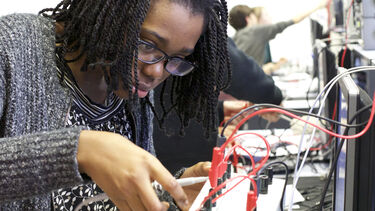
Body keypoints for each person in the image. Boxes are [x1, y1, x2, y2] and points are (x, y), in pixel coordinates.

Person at [0, 0, 231, 210]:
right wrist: (79, 150)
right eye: (147, 45)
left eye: (177, 58)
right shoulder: (12, 46)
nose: (156, 71)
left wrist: (170, 192)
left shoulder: (130, 86)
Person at [154, 37, 283, 173]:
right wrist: (272, 95)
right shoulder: (197, 24)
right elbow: (230, 61)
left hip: (174, 148)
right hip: (176, 158)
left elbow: (176, 95)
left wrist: (220, 109)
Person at [229, 0, 328, 68]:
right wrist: (318, 6)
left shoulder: (235, 38)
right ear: (248, 18)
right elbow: (291, 21)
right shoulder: (255, 31)